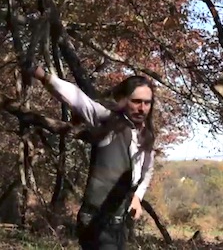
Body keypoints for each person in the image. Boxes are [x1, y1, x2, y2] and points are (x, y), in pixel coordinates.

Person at [31, 66, 155, 250]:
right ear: (123, 101)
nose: (142, 108)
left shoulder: (146, 136)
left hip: (119, 224)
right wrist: (45, 77)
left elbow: (147, 170)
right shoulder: (107, 120)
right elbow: (77, 98)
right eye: (136, 101)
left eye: (147, 102)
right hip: (95, 220)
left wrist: (137, 196)